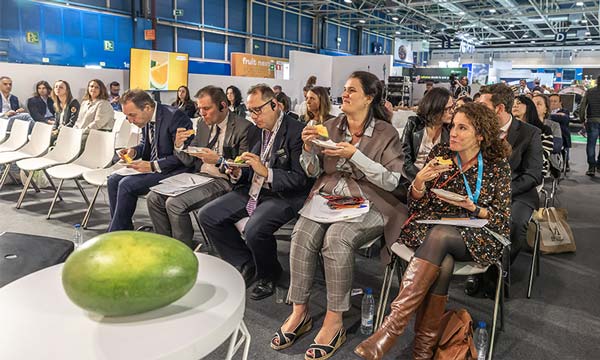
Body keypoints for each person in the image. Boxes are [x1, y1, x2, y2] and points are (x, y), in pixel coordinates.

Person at [354, 102, 512, 360]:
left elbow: (502, 220)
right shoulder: (441, 153)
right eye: (452, 127)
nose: (453, 133)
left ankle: (391, 328)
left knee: (441, 236)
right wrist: (418, 182)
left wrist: (474, 208)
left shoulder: (497, 165)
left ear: (480, 134)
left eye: (463, 128)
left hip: (477, 234)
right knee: (444, 259)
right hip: (431, 229)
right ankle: (422, 352)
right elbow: (416, 204)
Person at [271, 71, 406, 360]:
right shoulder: (330, 125)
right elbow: (313, 171)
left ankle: (334, 320)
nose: (344, 95)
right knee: (302, 234)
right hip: (330, 195)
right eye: (344, 90)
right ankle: (299, 311)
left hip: (371, 200)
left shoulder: (386, 133)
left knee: (337, 239)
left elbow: (392, 181)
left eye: (352, 91)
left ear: (369, 98)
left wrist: (354, 155)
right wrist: (307, 150)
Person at [198, 84, 311, 300]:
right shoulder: (256, 132)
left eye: (258, 110)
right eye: (250, 111)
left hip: (283, 194)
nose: (254, 116)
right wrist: (237, 172)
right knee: (208, 216)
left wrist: (267, 173)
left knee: (254, 229)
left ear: (275, 105)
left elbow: (301, 179)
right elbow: (249, 170)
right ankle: (245, 261)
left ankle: (270, 274)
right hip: (254, 189)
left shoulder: (297, 132)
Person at [147, 86, 252, 248]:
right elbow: (190, 160)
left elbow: (244, 168)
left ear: (223, 106)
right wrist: (179, 146)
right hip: (200, 176)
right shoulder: (203, 124)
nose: (201, 113)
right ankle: (167, 246)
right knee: (153, 198)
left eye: (206, 108)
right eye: (199, 108)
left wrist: (219, 160)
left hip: (224, 180)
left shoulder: (243, 127)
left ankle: (182, 251)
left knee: (174, 204)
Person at [472, 84, 542, 295]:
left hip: (518, 192)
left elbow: (533, 174)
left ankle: (495, 274)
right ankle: (478, 269)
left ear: (499, 108)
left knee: (515, 223)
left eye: (482, 105)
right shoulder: (478, 131)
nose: (477, 108)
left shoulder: (530, 133)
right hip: (481, 191)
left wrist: (502, 191)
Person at [107, 89, 193, 231]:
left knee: (126, 185)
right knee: (113, 180)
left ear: (147, 107)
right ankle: (122, 228)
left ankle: (116, 232)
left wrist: (153, 166)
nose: (130, 121)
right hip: (154, 167)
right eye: (127, 116)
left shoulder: (174, 117)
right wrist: (134, 151)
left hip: (175, 170)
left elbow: (183, 156)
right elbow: (147, 145)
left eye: (132, 115)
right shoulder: (146, 119)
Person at [400, 87, 453, 201]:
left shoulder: (451, 129)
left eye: (452, 108)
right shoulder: (414, 124)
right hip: (411, 178)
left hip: (439, 182)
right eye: (448, 109)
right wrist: (419, 178)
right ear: (436, 108)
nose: (452, 112)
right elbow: (404, 158)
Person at [512, 95, 554, 177]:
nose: (515, 105)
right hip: (510, 170)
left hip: (532, 172)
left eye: (519, 103)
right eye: (513, 103)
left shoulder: (544, 130)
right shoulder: (509, 128)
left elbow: (542, 156)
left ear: (529, 106)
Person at [533, 94, 563, 175]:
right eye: (532, 104)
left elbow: (557, 146)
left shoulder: (554, 125)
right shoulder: (525, 124)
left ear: (546, 109)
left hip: (547, 159)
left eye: (538, 104)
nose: (535, 107)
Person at [580, 76, 600, 176]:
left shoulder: (590, 91)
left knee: (591, 144)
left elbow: (583, 105)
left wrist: (582, 118)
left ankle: (591, 167)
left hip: (592, 120)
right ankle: (599, 165)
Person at [549, 94, 572, 171]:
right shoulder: (546, 111)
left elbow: (564, 119)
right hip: (548, 136)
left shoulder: (565, 111)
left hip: (562, 136)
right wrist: (556, 115)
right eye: (550, 101)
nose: (552, 103)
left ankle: (566, 163)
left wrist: (550, 116)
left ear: (560, 103)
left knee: (563, 145)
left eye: (555, 101)